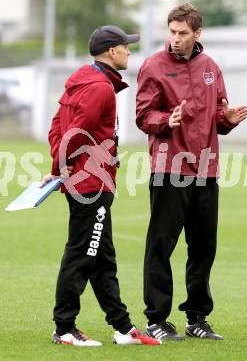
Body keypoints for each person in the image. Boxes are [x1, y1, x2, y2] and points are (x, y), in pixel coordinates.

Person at [41, 25, 161, 347]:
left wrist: (59, 168)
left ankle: (123, 327)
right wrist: (63, 167)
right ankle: (64, 328)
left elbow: (57, 128)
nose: (130, 52)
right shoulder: (100, 89)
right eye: (126, 47)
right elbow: (75, 133)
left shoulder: (83, 81)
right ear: (112, 51)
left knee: (102, 257)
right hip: (91, 184)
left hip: (86, 180)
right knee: (82, 254)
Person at [136, 3, 247, 341]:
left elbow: (217, 114)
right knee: (161, 245)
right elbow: (143, 116)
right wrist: (164, 121)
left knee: (203, 246)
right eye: (172, 32)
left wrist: (226, 121)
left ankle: (197, 318)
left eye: (183, 33)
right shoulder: (153, 66)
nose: (176, 39)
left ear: (197, 33)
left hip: (206, 169)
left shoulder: (211, 67)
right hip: (169, 167)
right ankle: (156, 318)